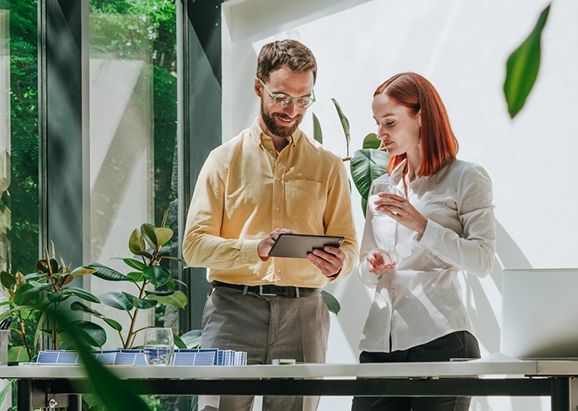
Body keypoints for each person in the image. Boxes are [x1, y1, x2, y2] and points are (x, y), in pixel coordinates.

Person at [182, 39, 359, 411]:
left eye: (303, 99)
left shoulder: (327, 165)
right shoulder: (223, 160)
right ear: (259, 86)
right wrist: (255, 249)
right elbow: (194, 246)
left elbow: (350, 246)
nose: (293, 109)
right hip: (233, 311)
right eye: (281, 97)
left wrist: (340, 263)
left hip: (304, 315)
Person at [351, 72, 496, 411]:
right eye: (377, 123)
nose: (380, 135)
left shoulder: (466, 178)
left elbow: (483, 261)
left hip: (441, 342)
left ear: (421, 117)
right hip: (379, 345)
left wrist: (421, 224)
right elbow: (363, 269)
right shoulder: (381, 187)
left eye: (389, 122)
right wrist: (373, 265)